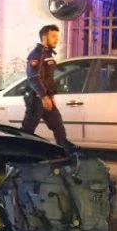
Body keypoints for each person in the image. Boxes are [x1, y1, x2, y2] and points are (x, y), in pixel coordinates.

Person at [21, 24, 74, 152]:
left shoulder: (48, 54)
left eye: (57, 36)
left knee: (57, 124)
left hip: (46, 97)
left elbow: (48, 79)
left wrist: (51, 96)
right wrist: (44, 96)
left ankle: (65, 149)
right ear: (45, 37)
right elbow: (34, 77)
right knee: (28, 129)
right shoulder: (36, 54)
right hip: (36, 98)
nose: (57, 39)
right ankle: (21, 152)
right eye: (53, 36)